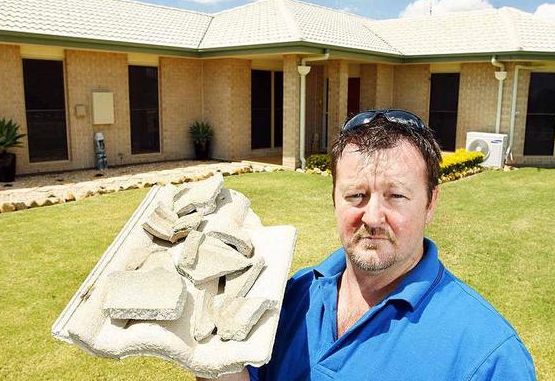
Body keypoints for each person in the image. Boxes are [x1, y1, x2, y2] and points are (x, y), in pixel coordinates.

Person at [203, 109, 536, 381]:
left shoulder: (487, 355)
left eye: (396, 196)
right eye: (356, 195)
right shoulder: (292, 296)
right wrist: (212, 360)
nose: (373, 217)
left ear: (431, 203)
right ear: (334, 199)